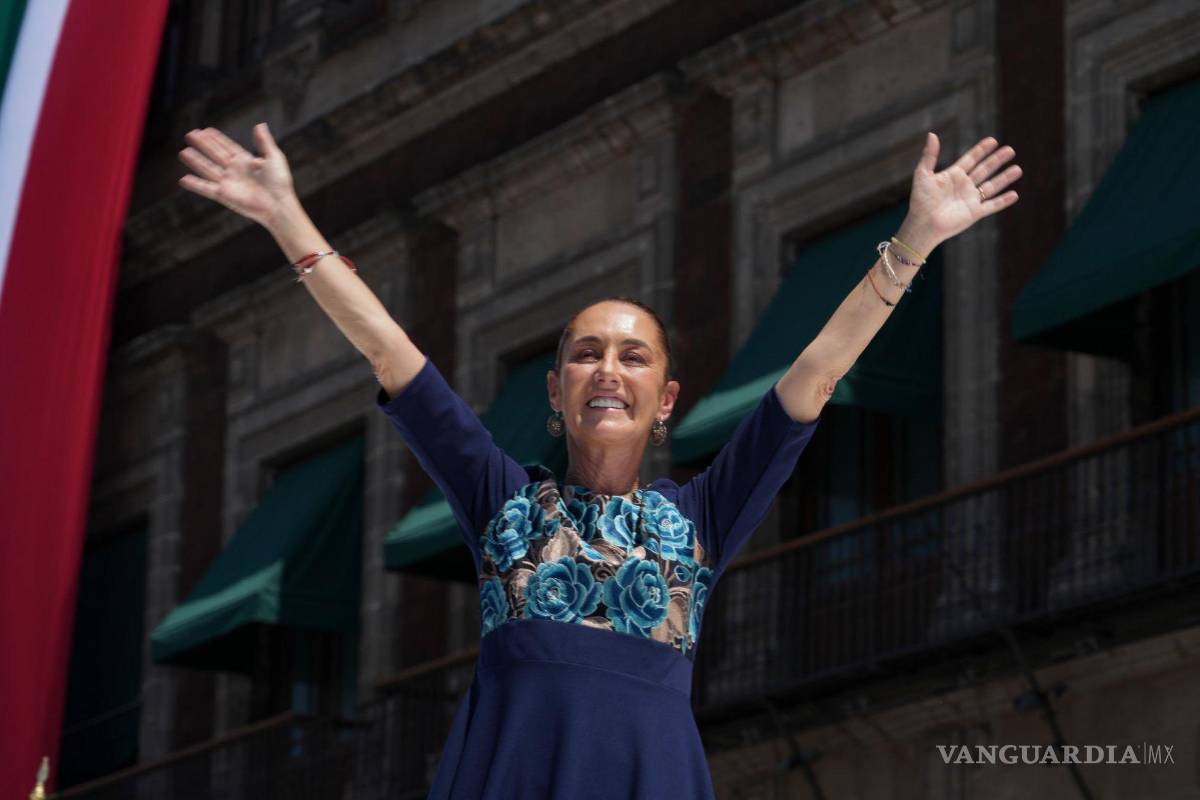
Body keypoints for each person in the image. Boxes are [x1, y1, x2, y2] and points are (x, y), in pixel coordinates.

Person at [178, 122, 1021, 799]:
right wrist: (286, 217)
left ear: (666, 400)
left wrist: (914, 240)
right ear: (556, 393)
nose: (608, 369)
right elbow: (389, 351)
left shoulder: (700, 520)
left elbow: (818, 373)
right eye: (586, 354)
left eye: (632, 356)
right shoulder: (502, 504)